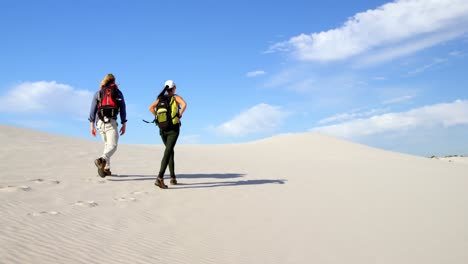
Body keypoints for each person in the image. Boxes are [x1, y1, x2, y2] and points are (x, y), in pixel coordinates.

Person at [148, 80, 187, 189]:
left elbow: (150, 108)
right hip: (173, 129)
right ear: (174, 88)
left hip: (162, 129)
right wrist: (179, 115)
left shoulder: (160, 98)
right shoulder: (175, 97)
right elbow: (184, 104)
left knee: (169, 150)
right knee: (168, 151)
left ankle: (172, 177)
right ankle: (160, 178)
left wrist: (157, 117)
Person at [88, 73, 127, 177]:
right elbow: (123, 108)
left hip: (100, 123)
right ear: (114, 82)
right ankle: (102, 160)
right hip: (111, 122)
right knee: (113, 146)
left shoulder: (99, 93)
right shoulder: (118, 93)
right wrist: (124, 123)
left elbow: (92, 110)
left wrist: (92, 125)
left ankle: (106, 169)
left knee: (107, 145)